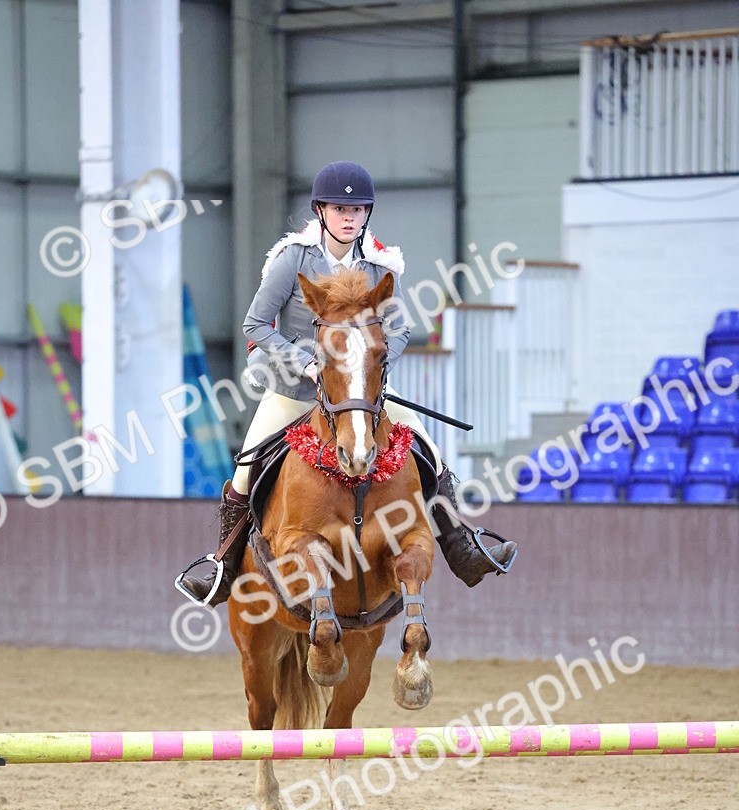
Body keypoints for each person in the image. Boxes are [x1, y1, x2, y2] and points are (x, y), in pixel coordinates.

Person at [176, 160, 516, 606]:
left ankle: (462, 548)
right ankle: (223, 564)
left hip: (361, 395)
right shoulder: (292, 260)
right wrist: (307, 361)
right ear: (321, 211)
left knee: (431, 452)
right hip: (297, 389)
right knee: (245, 469)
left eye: (357, 209)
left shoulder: (379, 266)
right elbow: (256, 324)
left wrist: (371, 371)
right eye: (340, 208)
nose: (350, 217)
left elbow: (401, 330)